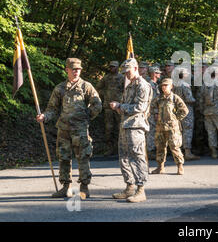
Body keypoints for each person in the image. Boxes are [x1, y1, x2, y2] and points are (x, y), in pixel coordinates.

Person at [36, 58, 102, 199]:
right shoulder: (60, 88)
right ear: (67, 70)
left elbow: (97, 105)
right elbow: (52, 109)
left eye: (78, 69)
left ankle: (84, 188)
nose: (76, 71)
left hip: (80, 129)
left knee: (83, 157)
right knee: (63, 157)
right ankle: (66, 187)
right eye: (73, 69)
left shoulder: (86, 86)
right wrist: (44, 117)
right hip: (64, 129)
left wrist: (86, 116)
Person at [111, 58, 152, 203]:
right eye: (125, 72)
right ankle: (129, 187)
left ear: (136, 68)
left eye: (128, 71)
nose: (126, 75)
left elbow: (140, 107)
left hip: (136, 126)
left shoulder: (142, 85)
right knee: (124, 156)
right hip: (125, 125)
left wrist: (120, 106)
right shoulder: (129, 86)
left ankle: (141, 190)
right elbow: (126, 107)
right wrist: (118, 107)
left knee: (137, 156)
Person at [151, 78, 189, 175]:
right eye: (163, 86)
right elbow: (151, 107)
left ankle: (180, 166)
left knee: (174, 147)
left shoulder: (174, 98)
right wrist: (155, 113)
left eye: (166, 85)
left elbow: (185, 110)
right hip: (160, 127)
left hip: (172, 128)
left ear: (171, 86)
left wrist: (176, 118)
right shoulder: (159, 98)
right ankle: (160, 167)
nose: (164, 87)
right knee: (160, 147)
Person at [96, 61, 125, 156]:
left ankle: (120, 148)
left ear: (118, 67)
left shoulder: (122, 78)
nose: (112, 68)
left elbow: (127, 90)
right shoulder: (106, 78)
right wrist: (104, 94)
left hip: (119, 106)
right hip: (108, 106)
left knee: (120, 127)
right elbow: (98, 88)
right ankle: (110, 148)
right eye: (111, 67)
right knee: (108, 128)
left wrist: (122, 98)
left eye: (114, 67)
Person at [173, 68, 200, 161]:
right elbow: (189, 99)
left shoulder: (175, 84)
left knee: (179, 131)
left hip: (178, 110)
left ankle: (178, 152)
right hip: (187, 110)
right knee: (188, 130)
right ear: (183, 75)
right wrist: (196, 100)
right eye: (187, 73)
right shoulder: (185, 85)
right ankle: (188, 152)